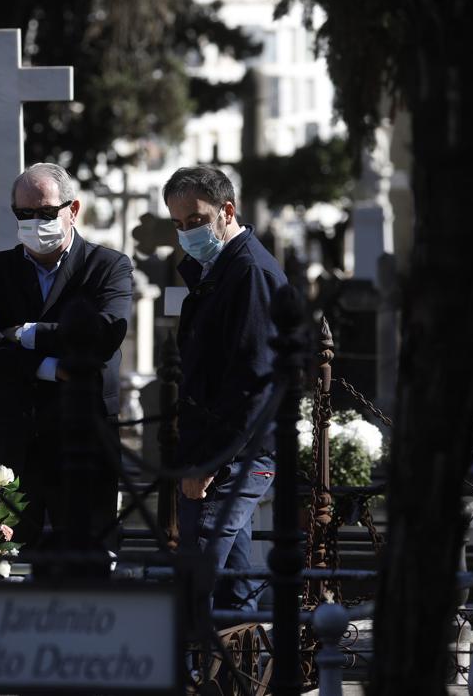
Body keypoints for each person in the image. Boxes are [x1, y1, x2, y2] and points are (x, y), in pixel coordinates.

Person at [0, 163, 133, 552]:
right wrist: (48, 367)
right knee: (4, 556)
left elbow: (104, 334)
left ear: (72, 211)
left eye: (44, 212)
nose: (34, 222)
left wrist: (26, 333)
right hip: (12, 438)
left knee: (91, 557)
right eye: (24, 214)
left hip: (83, 439)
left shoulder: (108, 266)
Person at [163, 166, 286, 613]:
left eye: (195, 221)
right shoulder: (220, 267)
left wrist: (208, 461)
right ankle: (237, 674)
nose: (186, 233)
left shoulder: (249, 271)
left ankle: (199, 670)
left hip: (234, 452)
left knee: (201, 567)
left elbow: (252, 378)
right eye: (178, 225)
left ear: (226, 211)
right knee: (233, 586)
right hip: (222, 447)